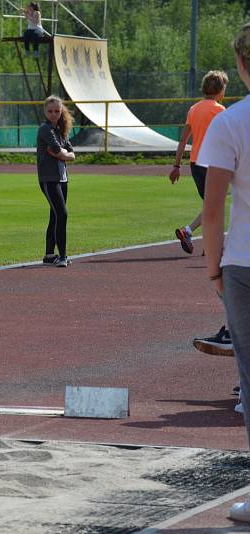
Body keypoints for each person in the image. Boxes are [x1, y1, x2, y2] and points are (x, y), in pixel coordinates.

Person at [199, 22, 250, 523]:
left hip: (245, 264)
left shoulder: (230, 122)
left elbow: (212, 212)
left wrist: (214, 271)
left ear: (239, 66)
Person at [170, 70, 229, 254]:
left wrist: (176, 166)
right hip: (214, 163)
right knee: (215, 205)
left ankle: (208, 244)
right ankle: (188, 232)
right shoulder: (220, 110)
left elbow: (183, 140)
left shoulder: (193, 109)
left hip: (196, 163)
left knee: (211, 205)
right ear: (220, 90)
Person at [36, 95, 75, 268]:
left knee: (55, 215)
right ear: (45, 111)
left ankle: (49, 255)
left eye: (57, 111)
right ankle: (63, 256)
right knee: (62, 214)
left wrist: (64, 155)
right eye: (50, 111)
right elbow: (59, 151)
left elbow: (70, 154)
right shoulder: (45, 129)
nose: (53, 114)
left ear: (61, 112)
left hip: (62, 178)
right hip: (49, 179)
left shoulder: (59, 130)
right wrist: (64, 154)